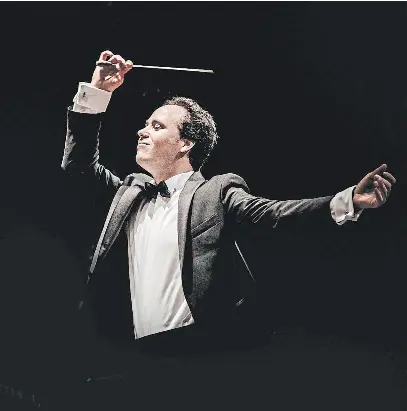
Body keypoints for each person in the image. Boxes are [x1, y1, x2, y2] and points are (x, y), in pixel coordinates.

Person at [61, 50, 396, 357]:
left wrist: (348, 200)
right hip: (130, 355)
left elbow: (274, 214)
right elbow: (77, 167)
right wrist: (98, 92)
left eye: (157, 126)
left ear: (185, 144)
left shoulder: (217, 191)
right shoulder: (129, 192)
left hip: (199, 354)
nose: (141, 131)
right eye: (146, 124)